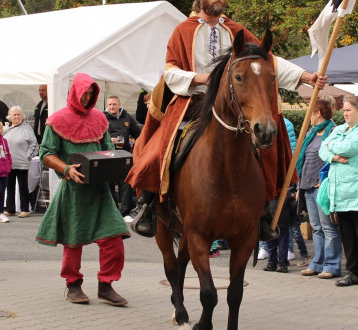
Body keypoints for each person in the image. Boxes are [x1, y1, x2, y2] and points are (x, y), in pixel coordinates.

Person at [127, 0, 327, 239]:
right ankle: (147, 206)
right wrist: (201, 79)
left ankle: (262, 210)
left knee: (264, 149)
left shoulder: (236, 30)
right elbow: (170, 73)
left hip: (231, 108)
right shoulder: (183, 30)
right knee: (160, 147)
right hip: (193, 103)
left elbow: (266, 61)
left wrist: (306, 76)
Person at [35, 73, 130, 306]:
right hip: (73, 191)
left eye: (91, 94)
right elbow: (46, 154)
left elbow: (108, 149)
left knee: (114, 240)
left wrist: (117, 163)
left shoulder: (99, 118)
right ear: (75, 93)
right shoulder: (57, 119)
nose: (87, 98)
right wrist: (67, 169)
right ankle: (73, 285)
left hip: (99, 191)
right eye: (84, 93)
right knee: (73, 241)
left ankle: (106, 286)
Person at [319, 96, 358, 291]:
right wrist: (333, 156)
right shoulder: (339, 129)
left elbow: (349, 148)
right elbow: (323, 148)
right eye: (344, 110)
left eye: (348, 110)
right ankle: (353, 272)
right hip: (341, 192)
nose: (345, 113)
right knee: (347, 235)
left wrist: (333, 150)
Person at [298, 99, 342, 279]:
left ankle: (331, 265)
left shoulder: (333, 131)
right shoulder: (311, 132)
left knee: (328, 227)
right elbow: (304, 157)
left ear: (318, 113)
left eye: (311, 113)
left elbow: (334, 158)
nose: (309, 117)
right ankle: (317, 262)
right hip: (307, 185)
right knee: (316, 227)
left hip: (322, 186)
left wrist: (325, 179)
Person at [103, 96, 141, 216]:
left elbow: (138, 134)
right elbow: (97, 136)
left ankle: (125, 212)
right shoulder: (102, 118)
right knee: (109, 185)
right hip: (108, 157)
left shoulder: (127, 117)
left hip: (124, 156)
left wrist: (132, 144)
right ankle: (112, 212)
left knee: (125, 184)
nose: (112, 107)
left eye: (114, 104)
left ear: (119, 104)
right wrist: (109, 140)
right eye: (109, 105)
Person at [3, 106, 38, 218]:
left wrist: (27, 156)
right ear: (10, 117)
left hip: (22, 163)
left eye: (19, 114)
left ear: (22, 116)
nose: (17, 116)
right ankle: (10, 209)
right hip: (9, 163)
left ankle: (24, 209)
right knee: (10, 186)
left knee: (23, 186)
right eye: (14, 115)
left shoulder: (27, 128)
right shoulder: (5, 130)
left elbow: (34, 144)